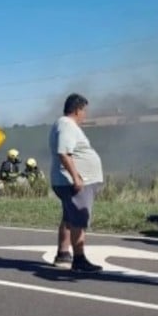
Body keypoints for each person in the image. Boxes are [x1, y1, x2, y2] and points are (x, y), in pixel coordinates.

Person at [48, 93, 103, 272]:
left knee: (69, 218)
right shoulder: (67, 125)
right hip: (74, 182)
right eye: (84, 111)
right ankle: (79, 260)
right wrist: (76, 177)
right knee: (79, 218)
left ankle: (63, 254)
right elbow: (64, 152)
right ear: (77, 110)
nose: (85, 115)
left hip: (68, 181)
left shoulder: (63, 124)